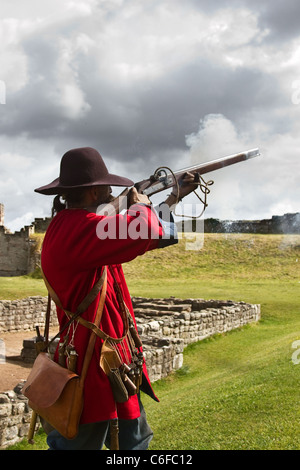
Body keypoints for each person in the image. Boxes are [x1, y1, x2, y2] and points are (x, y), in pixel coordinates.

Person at [34, 147, 196, 450]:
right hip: (89, 370)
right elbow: (143, 228)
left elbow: (151, 237)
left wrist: (172, 198)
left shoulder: (78, 228)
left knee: (135, 443)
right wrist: (141, 203)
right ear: (94, 191)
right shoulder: (79, 230)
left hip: (112, 365)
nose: (112, 194)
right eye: (107, 189)